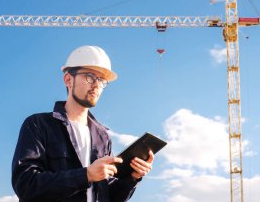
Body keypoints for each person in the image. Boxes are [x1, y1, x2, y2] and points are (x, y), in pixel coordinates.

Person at [12, 45, 154, 202]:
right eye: (90, 76)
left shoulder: (103, 137)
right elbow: (25, 184)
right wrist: (85, 175)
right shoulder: (38, 124)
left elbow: (108, 196)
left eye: (101, 80)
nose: (96, 85)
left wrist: (132, 178)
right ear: (68, 79)